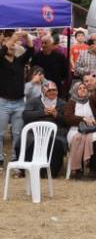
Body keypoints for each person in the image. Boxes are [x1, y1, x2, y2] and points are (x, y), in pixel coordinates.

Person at [64, 80, 96, 179]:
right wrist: (83, 119)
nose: (82, 90)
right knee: (76, 139)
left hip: (94, 128)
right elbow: (68, 118)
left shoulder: (92, 99)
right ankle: (78, 169)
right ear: (75, 91)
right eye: (79, 89)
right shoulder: (71, 102)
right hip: (76, 129)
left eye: (84, 88)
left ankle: (93, 169)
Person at [19, 80, 67, 174]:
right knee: (27, 141)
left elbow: (66, 121)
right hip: (34, 132)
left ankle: (52, 171)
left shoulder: (62, 104)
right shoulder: (34, 101)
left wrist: (56, 114)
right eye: (49, 90)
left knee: (55, 142)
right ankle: (28, 169)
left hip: (56, 132)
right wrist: (43, 112)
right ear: (44, 91)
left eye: (54, 90)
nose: (52, 92)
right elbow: (26, 116)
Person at [1, 31, 33, 167]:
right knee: (0, 133)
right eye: (9, 46)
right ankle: (0, 159)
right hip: (3, 102)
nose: (12, 47)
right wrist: (12, 39)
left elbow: (31, 50)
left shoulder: (20, 61)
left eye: (14, 46)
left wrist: (27, 37)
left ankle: (15, 159)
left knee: (17, 133)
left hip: (19, 103)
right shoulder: (0, 60)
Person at [31, 33, 70, 98]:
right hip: (40, 87)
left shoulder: (60, 57)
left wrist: (62, 81)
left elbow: (65, 71)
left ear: (52, 44)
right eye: (42, 43)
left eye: (45, 43)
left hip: (56, 86)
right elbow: (33, 71)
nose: (43, 45)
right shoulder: (36, 56)